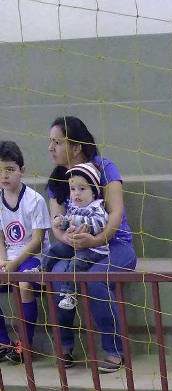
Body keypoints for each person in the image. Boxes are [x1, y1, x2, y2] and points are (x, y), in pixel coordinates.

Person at [47, 115, 137, 372]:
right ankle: (64, 347)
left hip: (115, 246)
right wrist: (70, 238)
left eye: (57, 142)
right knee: (59, 275)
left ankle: (115, 351)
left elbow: (116, 213)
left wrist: (95, 239)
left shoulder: (105, 168)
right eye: (50, 142)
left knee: (95, 279)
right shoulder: (56, 180)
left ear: (76, 146)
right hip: (78, 248)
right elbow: (56, 224)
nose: (51, 148)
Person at [0, 140, 50, 364]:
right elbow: (0, 238)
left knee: (24, 284)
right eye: (0, 170)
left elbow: (37, 242)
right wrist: (3, 261)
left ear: (22, 170)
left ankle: (25, 345)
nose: (4, 175)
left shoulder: (35, 200)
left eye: (10, 169)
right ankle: (3, 342)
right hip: (9, 257)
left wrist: (13, 264)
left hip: (34, 257)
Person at [42, 162, 109, 311]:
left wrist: (77, 221)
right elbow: (68, 221)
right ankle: (42, 271)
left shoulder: (96, 207)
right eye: (72, 189)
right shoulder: (74, 207)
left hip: (93, 249)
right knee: (55, 249)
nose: (76, 193)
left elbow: (99, 224)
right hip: (75, 245)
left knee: (75, 263)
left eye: (82, 189)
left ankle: (69, 294)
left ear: (93, 192)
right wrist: (61, 221)